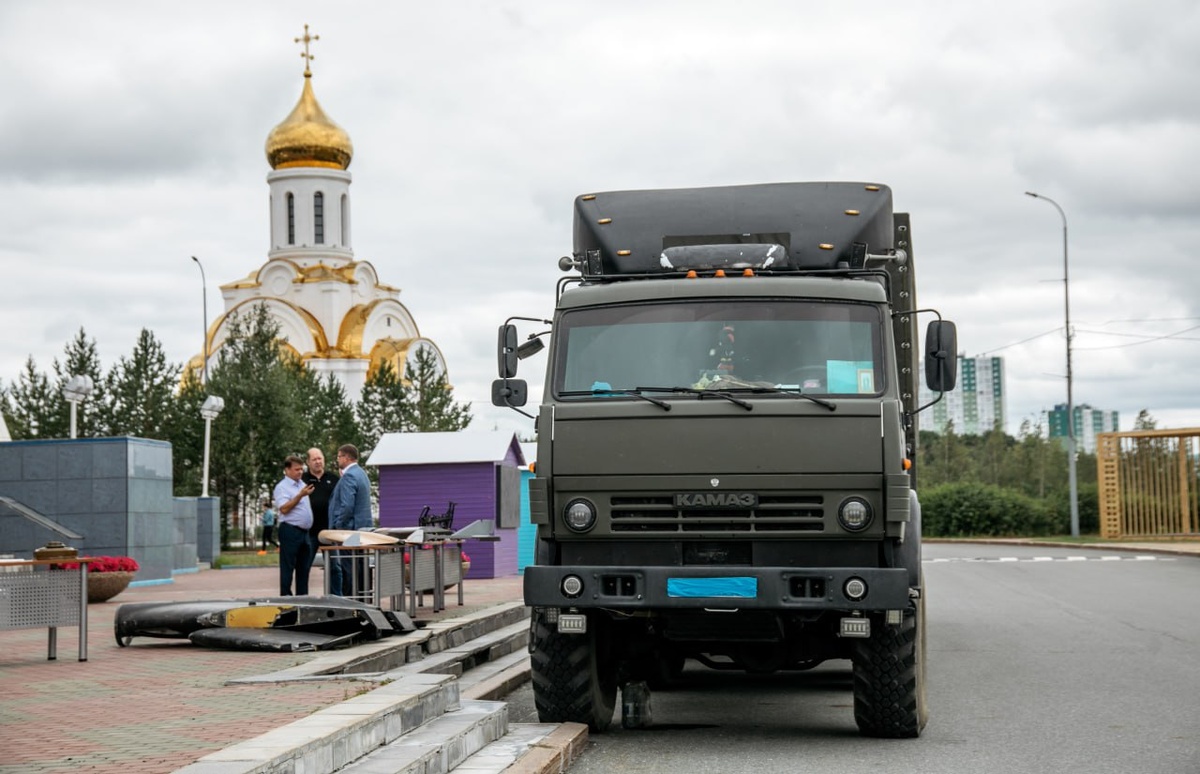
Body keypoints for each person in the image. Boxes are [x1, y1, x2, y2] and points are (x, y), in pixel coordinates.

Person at [327, 443, 373, 597]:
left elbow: (347, 505)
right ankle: (363, 599)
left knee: (349, 569)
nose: (337, 460)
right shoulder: (362, 474)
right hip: (362, 529)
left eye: (339, 456)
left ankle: (351, 602)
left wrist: (338, 526)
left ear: (346, 457)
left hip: (349, 531)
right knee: (361, 567)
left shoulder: (349, 476)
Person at [273, 455, 315, 596]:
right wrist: (300, 496)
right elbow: (284, 508)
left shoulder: (302, 484)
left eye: (301, 469)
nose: (300, 472)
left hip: (304, 533)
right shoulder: (282, 488)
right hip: (290, 530)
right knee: (288, 567)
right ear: (287, 470)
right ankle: (286, 599)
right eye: (296, 469)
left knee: (304, 568)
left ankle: (303, 599)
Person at [303, 447, 340, 571]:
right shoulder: (302, 480)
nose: (318, 462)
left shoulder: (334, 479)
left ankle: (334, 591)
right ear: (308, 462)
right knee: (304, 566)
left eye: (320, 458)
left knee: (334, 567)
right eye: (314, 459)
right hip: (309, 531)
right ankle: (302, 591)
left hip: (329, 531)